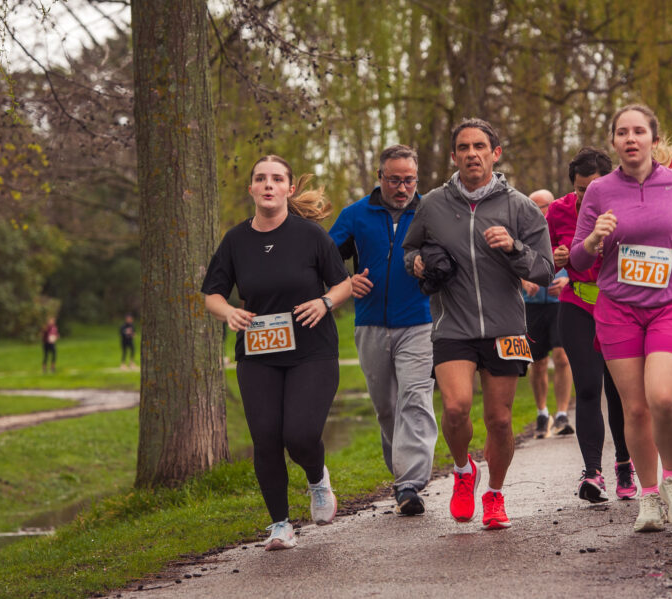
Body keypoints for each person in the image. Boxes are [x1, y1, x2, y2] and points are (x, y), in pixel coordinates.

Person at [570, 104, 672, 532]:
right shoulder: (600, 191)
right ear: (614, 142)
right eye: (622, 132)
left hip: (671, 305)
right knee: (635, 409)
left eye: (638, 131)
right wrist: (594, 238)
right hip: (618, 310)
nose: (630, 139)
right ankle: (647, 496)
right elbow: (577, 259)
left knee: (662, 397)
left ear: (653, 140)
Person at [403, 118, 555, 530]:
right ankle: (463, 471)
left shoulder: (520, 206)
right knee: (455, 408)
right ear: (454, 156)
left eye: (480, 147)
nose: (472, 153)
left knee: (500, 420)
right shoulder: (433, 203)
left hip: (506, 326)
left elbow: (545, 269)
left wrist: (514, 247)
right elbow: (409, 248)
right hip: (453, 324)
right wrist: (415, 263)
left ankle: (495, 494)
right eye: (464, 147)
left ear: (495, 154)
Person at [201, 155, 352, 551]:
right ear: (251, 188)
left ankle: (318, 480)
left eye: (277, 179)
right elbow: (212, 294)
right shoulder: (235, 240)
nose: (268, 185)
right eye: (260, 179)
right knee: (266, 438)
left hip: (312, 350)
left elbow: (343, 284)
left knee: (299, 434)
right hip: (257, 352)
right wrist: (229, 311)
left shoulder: (311, 236)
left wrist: (324, 301)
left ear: (289, 189)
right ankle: (280, 524)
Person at [329, 144, 438, 517]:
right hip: (371, 324)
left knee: (416, 398)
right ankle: (401, 474)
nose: (402, 187)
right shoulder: (356, 215)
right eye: (394, 179)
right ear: (380, 178)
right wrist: (346, 282)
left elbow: (449, 260)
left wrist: (431, 267)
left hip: (420, 321)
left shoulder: (431, 211)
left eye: (409, 180)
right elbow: (324, 258)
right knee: (387, 406)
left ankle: (410, 482)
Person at [545, 147, 637, 503]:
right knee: (586, 387)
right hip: (577, 306)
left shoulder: (626, 207)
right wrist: (555, 259)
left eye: (594, 187)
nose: (587, 196)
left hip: (618, 308)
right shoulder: (558, 211)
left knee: (617, 391)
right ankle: (592, 473)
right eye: (581, 189)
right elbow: (543, 263)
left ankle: (624, 463)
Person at [523, 189, 574, 438]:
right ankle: (542, 413)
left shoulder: (562, 225)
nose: (536, 212)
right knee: (538, 362)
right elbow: (510, 262)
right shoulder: (522, 231)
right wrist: (523, 280)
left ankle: (562, 414)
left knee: (563, 357)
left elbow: (577, 260)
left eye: (540, 207)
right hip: (531, 304)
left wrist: (568, 281)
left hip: (559, 302)